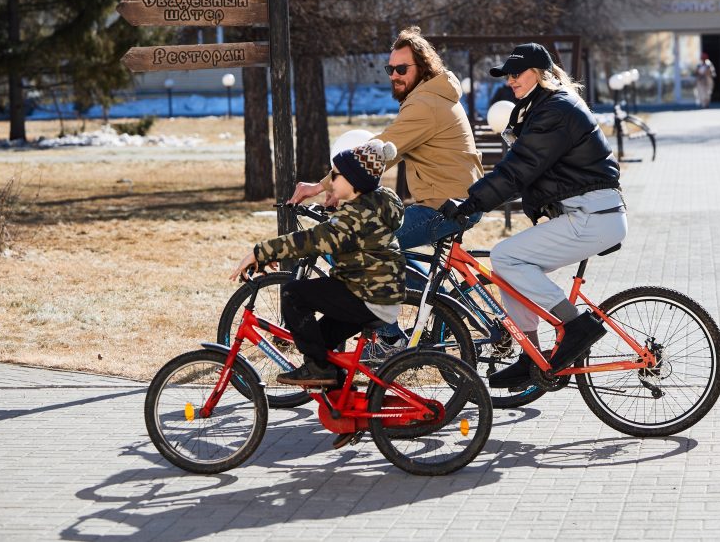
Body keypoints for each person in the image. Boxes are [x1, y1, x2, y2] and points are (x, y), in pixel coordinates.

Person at [440, 42, 627, 390]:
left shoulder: (557, 110)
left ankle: (575, 326)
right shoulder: (541, 109)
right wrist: (476, 201)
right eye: (507, 76)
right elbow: (523, 171)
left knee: (506, 256)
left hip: (592, 214)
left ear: (540, 74)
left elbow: (519, 169)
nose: (510, 81)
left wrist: (471, 203)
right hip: (586, 213)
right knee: (510, 268)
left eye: (517, 74)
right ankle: (532, 355)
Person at [289, 26, 484, 249]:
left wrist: (319, 187)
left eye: (401, 69)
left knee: (369, 244)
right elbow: (392, 152)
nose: (394, 76)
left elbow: (378, 151)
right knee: (390, 252)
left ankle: (412, 286)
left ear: (422, 67)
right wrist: (342, 185)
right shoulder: (430, 96)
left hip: (448, 206)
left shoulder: (425, 104)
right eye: (389, 69)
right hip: (454, 201)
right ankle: (414, 286)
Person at [232, 140, 406, 387]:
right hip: (372, 293)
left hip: (368, 295)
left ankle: (318, 370)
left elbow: (313, 240)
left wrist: (260, 253)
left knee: (293, 293)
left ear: (354, 181)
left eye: (336, 175)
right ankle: (341, 402)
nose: (331, 180)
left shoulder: (355, 217)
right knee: (321, 343)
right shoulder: (369, 206)